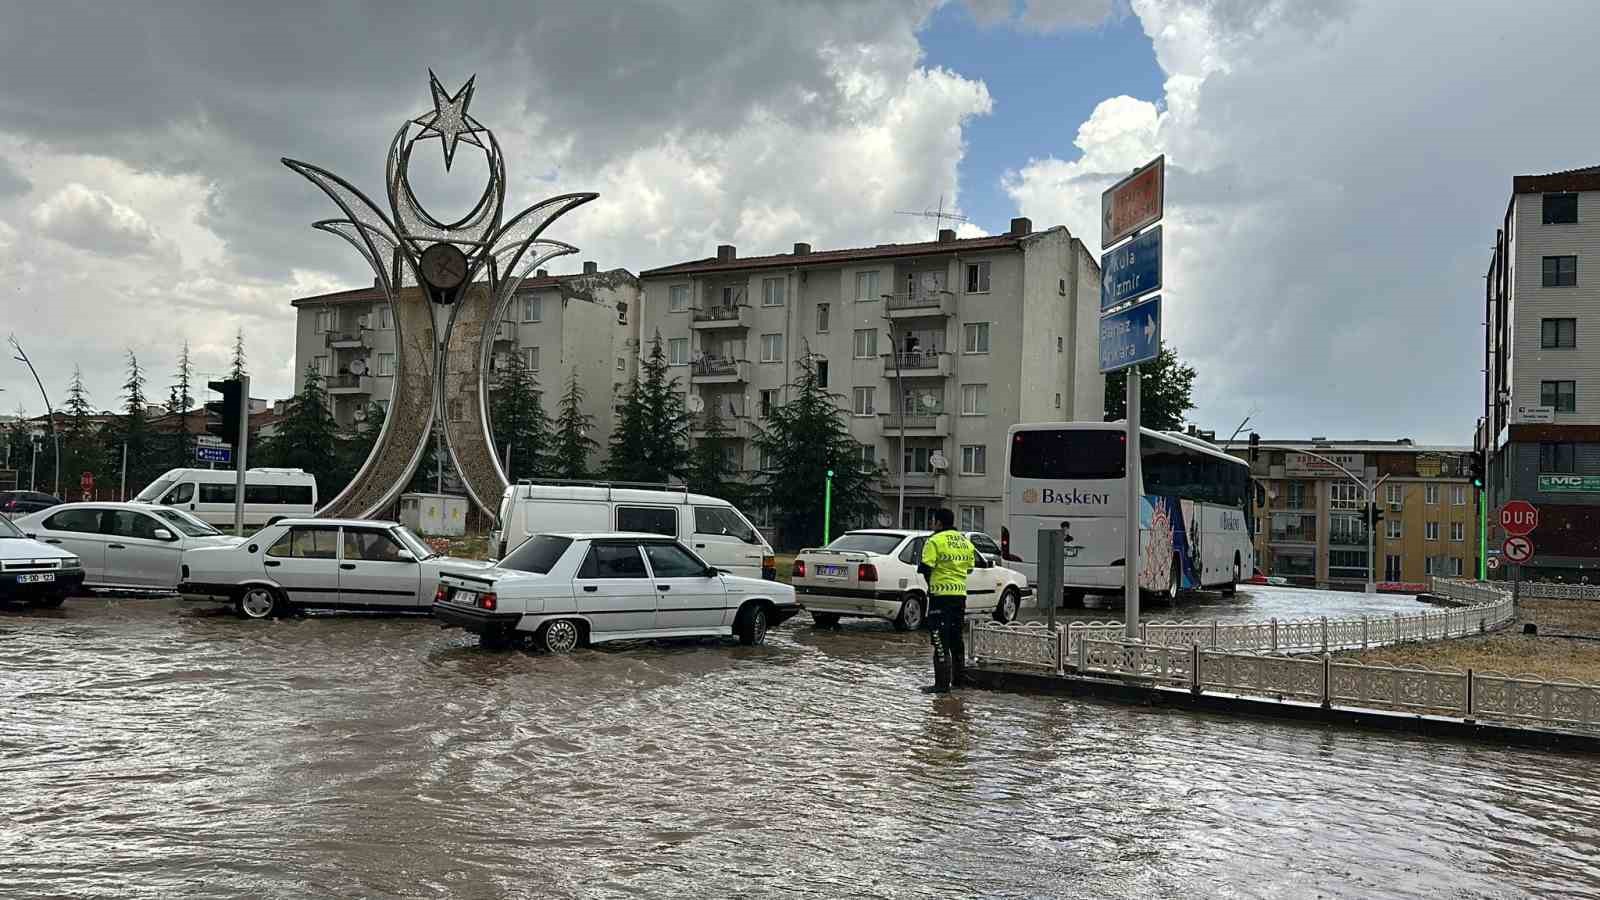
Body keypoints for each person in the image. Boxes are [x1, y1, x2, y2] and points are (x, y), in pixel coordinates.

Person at [918, 507, 975, 694]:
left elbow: (926, 568)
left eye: (933, 521)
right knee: (956, 638)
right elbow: (969, 569)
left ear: (938, 523)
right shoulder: (965, 542)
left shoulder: (934, 541)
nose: (931, 525)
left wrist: (932, 587)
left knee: (939, 639)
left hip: (940, 598)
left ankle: (941, 685)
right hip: (959, 597)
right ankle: (959, 682)